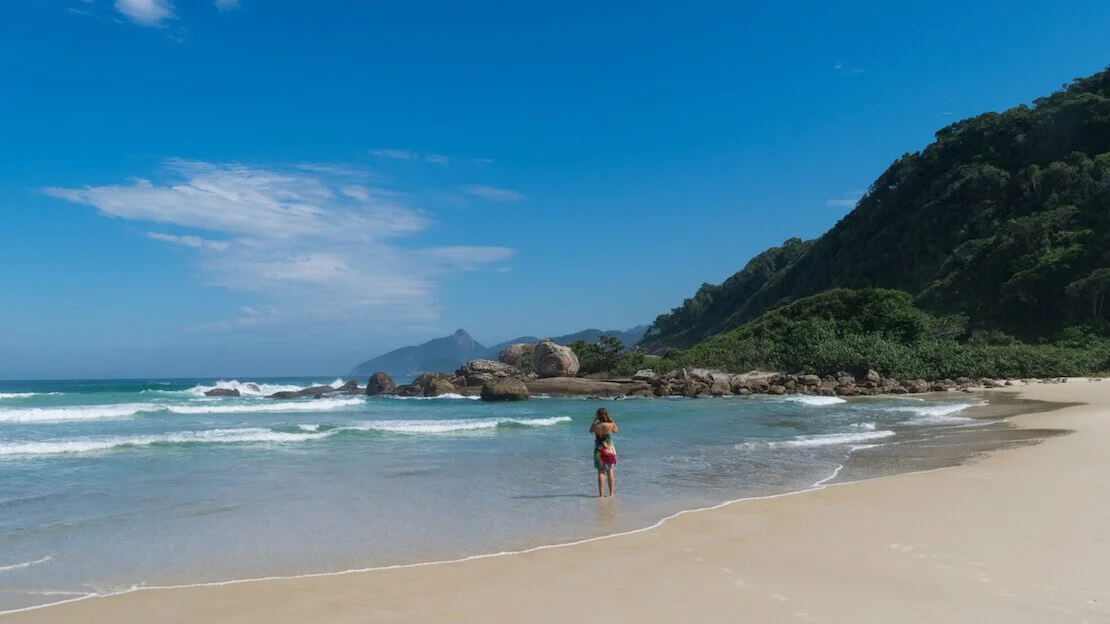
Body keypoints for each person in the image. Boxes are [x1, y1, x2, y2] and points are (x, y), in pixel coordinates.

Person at [589, 407, 618, 497]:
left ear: (597, 415)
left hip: (598, 449)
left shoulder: (596, 426)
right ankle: (611, 494)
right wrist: (611, 420)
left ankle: (601, 495)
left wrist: (594, 421)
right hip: (608, 448)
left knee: (601, 472)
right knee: (610, 471)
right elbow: (616, 430)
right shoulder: (609, 424)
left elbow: (590, 431)